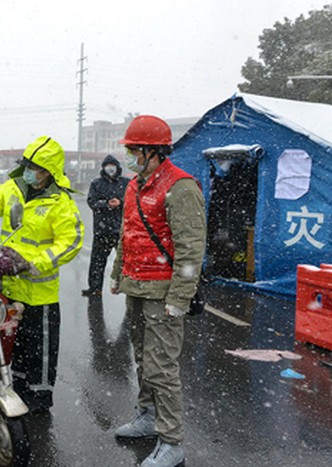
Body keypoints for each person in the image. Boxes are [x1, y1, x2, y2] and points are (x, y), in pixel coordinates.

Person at [0, 136, 84, 413]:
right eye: (27, 165)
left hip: (38, 293)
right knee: (7, 344)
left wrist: (37, 263)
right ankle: (8, 390)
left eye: (35, 167)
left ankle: (37, 400)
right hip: (7, 287)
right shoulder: (13, 189)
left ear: (49, 172)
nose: (29, 171)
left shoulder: (60, 202)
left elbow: (71, 241)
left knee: (40, 350)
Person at [109, 116, 206, 467]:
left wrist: (180, 298)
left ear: (154, 151)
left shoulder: (181, 187)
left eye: (135, 150)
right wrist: (118, 273)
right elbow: (127, 233)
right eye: (130, 149)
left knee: (161, 368)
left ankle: (172, 441)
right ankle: (147, 416)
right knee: (142, 360)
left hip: (164, 292)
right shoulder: (134, 185)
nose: (131, 156)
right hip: (137, 286)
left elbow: (191, 251)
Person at [82, 154, 129, 297]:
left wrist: (120, 202)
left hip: (121, 229)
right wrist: (106, 204)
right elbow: (91, 202)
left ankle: (128, 289)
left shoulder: (126, 183)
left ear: (118, 167)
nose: (110, 169)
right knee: (97, 261)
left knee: (126, 261)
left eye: (113, 166)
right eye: (108, 166)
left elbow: (133, 200)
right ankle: (95, 288)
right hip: (102, 230)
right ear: (103, 168)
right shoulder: (96, 184)